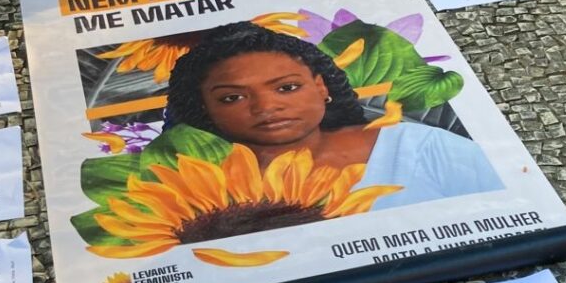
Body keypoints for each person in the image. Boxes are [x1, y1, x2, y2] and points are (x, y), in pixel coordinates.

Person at [164, 21, 503, 209]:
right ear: (204, 109)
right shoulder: (198, 194)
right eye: (233, 97)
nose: (266, 107)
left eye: (287, 88)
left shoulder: (420, 147)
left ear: (321, 86)